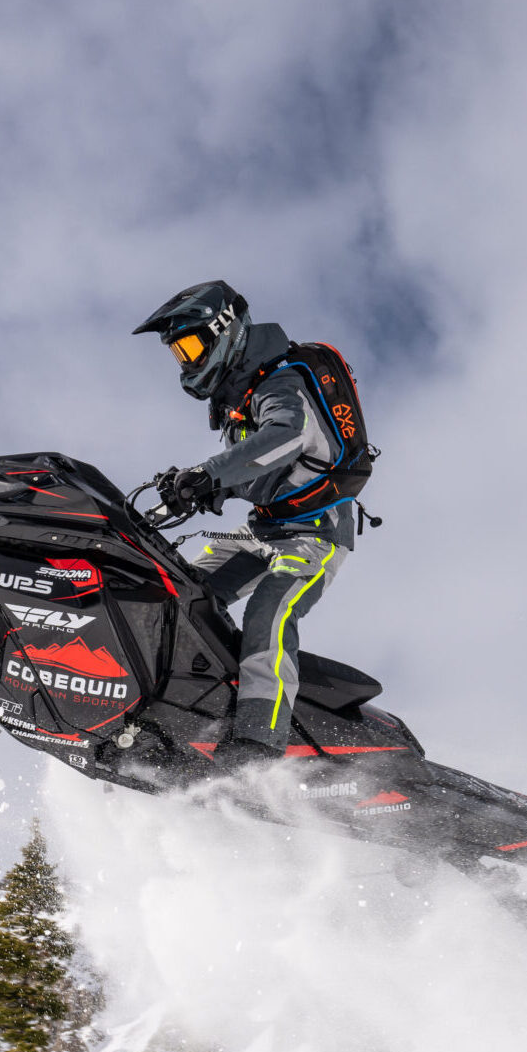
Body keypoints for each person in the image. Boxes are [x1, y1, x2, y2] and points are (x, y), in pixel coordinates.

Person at [132, 280, 355, 765]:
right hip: (262, 529)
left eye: (191, 347)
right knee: (181, 592)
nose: (186, 361)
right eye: (178, 353)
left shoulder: (282, 383)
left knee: (269, 613)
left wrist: (208, 474)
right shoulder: (241, 397)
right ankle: (171, 704)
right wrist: (199, 491)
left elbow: (286, 438)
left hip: (315, 533)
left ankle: (258, 744)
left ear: (224, 331)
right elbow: (259, 472)